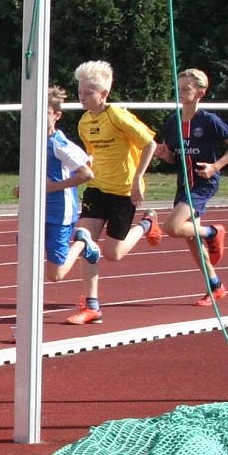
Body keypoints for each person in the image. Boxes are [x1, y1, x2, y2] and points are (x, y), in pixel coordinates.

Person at [65, 60, 162, 325]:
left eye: (87, 93)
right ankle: (91, 305)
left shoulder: (118, 116)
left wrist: (137, 179)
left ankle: (147, 223)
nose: (82, 97)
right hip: (96, 189)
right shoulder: (84, 122)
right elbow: (94, 153)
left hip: (123, 191)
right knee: (84, 241)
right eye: (79, 92)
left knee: (113, 253)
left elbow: (149, 144)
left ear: (104, 94)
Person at [152, 68, 228, 307]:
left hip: (203, 183)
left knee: (172, 226)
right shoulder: (173, 121)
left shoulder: (209, 121)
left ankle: (212, 232)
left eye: (186, 89)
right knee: (191, 238)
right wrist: (163, 154)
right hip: (184, 184)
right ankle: (215, 286)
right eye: (178, 88)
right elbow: (173, 157)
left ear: (200, 93)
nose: (180, 93)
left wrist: (215, 166)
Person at [14, 85, 99, 281]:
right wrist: (25, 188)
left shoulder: (59, 144)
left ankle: (82, 242)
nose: (37, 118)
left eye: (44, 113)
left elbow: (87, 174)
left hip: (59, 214)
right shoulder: (31, 142)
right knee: (26, 254)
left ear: (56, 116)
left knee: (55, 275)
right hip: (34, 211)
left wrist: (52, 187)